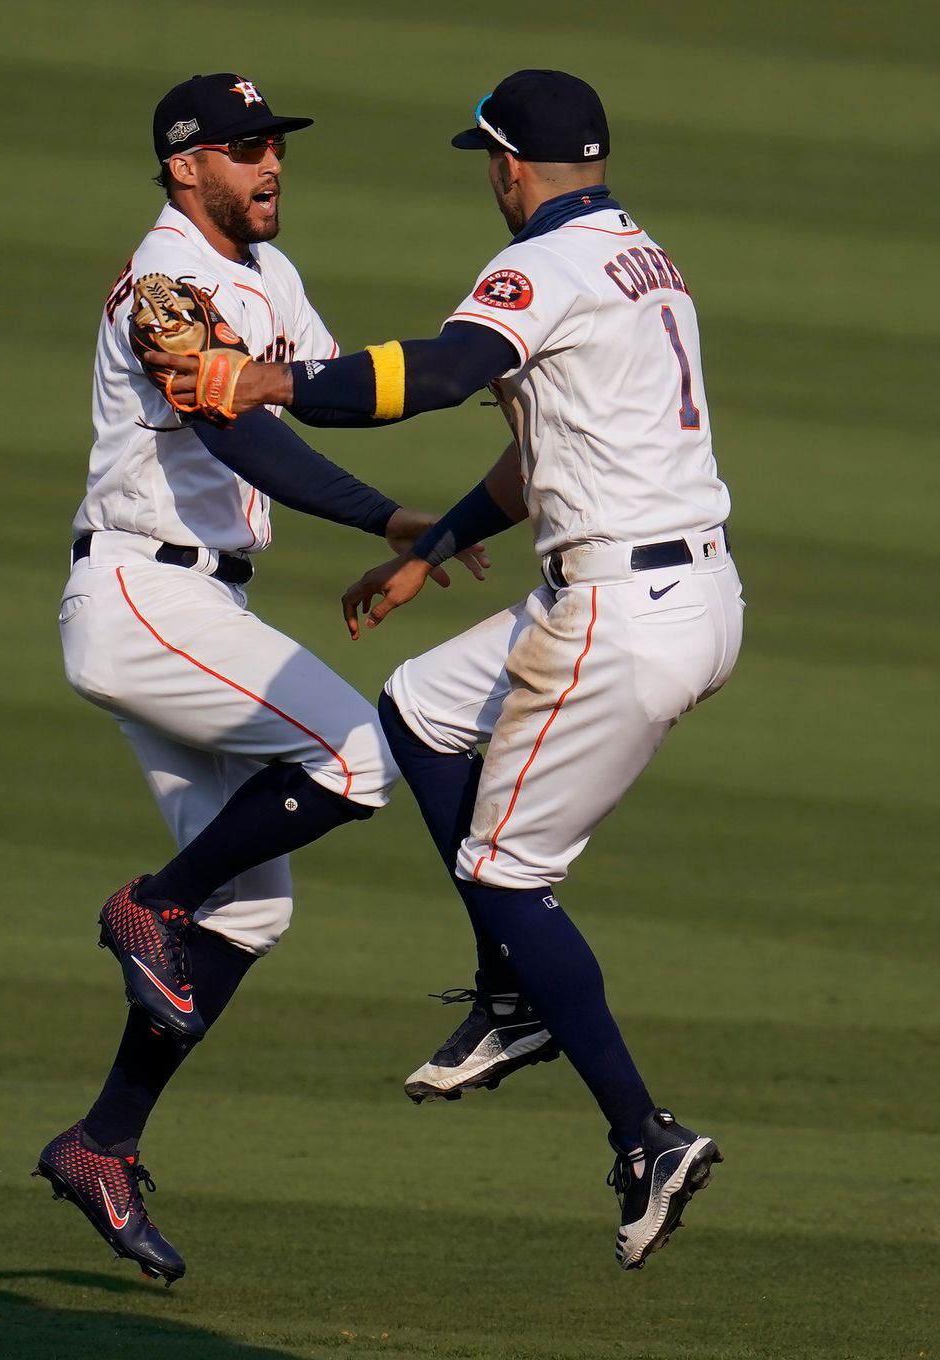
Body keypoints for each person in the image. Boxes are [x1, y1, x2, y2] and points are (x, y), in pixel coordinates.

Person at [146, 69, 742, 1269]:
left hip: (616, 611)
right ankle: (513, 991)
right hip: (689, 586)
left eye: (489, 157)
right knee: (416, 710)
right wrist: (438, 548)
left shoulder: (542, 269)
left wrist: (263, 379)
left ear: (509, 165)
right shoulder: (645, 260)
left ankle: (645, 1134)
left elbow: (437, 374)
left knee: (507, 872)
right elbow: (544, 452)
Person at [36, 72, 485, 1285]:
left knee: (252, 909)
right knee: (355, 752)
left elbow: (325, 393)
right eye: (244, 149)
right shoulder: (165, 284)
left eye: (274, 144)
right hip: (141, 594)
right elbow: (248, 434)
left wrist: (487, 357)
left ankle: (103, 1142)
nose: (270, 164)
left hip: (198, 602)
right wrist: (392, 521)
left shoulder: (267, 277)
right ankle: (148, 904)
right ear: (185, 167)